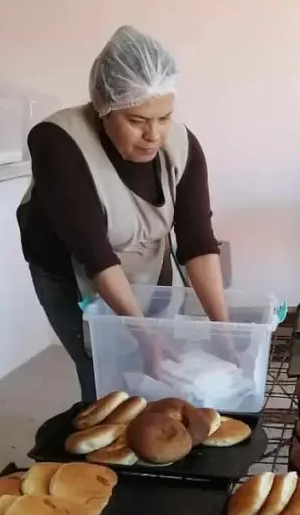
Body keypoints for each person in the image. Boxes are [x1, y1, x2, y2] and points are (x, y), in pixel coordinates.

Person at [18, 25, 229, 401]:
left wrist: (224, 330)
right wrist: (144, 335)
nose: (154, 134)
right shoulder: (59, 143)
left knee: (165, 366)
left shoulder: (183, 145)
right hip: (75, 269)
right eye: (136, 120)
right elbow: (95, 256)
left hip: (147, 257)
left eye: (164, 117)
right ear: (104, 109)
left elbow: (197, 242)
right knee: (105, 372)